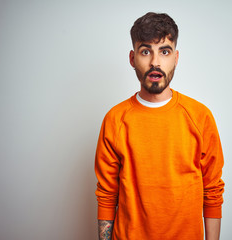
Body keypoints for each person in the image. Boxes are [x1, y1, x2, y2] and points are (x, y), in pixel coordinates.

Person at [95, 12, 224, 240]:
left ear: (175, 57)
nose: (155, 62)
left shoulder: (200, 116)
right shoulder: (115, 119)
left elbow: (212, 191)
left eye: (164, 51)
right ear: (133, 58)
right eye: (146, 51)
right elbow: (107, 194)